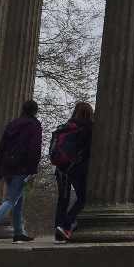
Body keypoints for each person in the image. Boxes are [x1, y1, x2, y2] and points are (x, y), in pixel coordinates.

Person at [0, 100, 43, 246]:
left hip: (7, 167)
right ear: (35, 111)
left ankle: (18, 233)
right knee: (11, 199)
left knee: (18, 200)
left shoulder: (12, 124)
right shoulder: (34, 125)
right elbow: (35, 148)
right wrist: (33, 169)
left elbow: (2, 147)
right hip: (22, 167)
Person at [53, 101, 93, 242]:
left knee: (62, 200)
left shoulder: (67, 126)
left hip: (61, 168)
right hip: (78, 168)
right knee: (83, 199)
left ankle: (59, 231)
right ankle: (66, 225)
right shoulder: (89, 128)